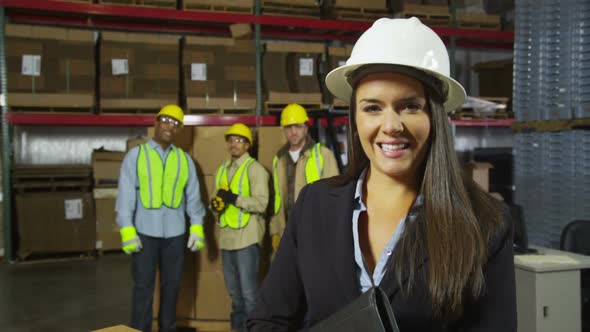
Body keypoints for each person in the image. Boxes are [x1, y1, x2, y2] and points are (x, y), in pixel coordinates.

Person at [247, 17, 517, 331]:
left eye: (410, 106)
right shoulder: (315, 205)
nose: (390, 126)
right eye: (372, 107)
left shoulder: (486, 224)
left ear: (435, 117)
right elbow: (266, 321)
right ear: (355, 117)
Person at [116, 104, 206, 332]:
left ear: (179, 130)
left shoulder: (185, 161)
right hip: (144, 234)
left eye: (175, 124)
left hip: (175, 236)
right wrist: (127, 229)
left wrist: (197, 227)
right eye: (166, 121)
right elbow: (125, 196)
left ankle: (168, 328)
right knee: (143, 288)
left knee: (172, 286)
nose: (170, 127)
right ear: (156, 123)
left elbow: (193, 197)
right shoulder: (136, 156)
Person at [210, 123, 269, 332]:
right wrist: (216, 205)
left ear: (247, 145)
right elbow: (215, 203)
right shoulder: (220, 171)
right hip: (226, 238)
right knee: (235, 296)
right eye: (232, 140)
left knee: (249, 295)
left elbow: (262, 203)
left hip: (247, 238)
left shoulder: (255, 170)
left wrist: (235, 198)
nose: (235, 144)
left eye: (240, 140)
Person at [269, 103, 340, 252]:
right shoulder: (279, 158)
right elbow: (278, 199)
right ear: (283, 130)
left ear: (306, 128)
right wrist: (275, 228)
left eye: (298, 127)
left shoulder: (322, 155)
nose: (293, 132)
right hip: (286, 228)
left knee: (312, 273)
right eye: (289, 127)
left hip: (314, 228)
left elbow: (334, 196)